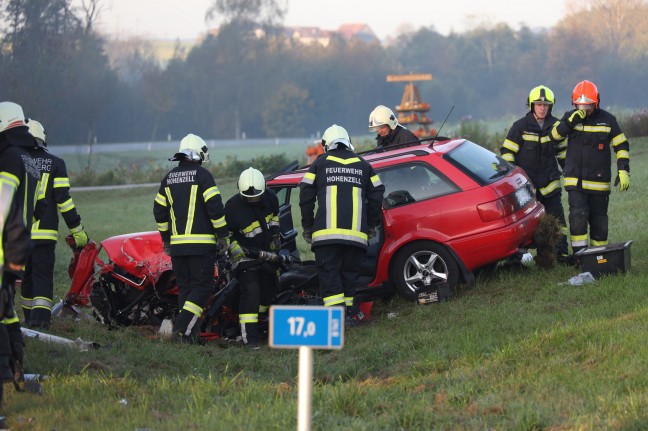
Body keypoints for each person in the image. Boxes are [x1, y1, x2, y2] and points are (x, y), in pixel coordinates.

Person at [299, 124, 384, 324]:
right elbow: (377, 194)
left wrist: (308, 226)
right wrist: (371, 225)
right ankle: (350, 315)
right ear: (348, 142)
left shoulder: (319, 164)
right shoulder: (364, 165)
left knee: (330, 278)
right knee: (349, 276)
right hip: (356, 236)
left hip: (326, 236)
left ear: (326, 144)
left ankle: (336, 321)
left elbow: (305, 195)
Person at [153, 133, 229, 343]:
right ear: (199, 155)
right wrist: (222, 235)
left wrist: (166, 238)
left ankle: (189, 338)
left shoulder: (168, 178)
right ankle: (180, 331)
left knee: (186, 289)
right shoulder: (203, 176)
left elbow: (159, 210)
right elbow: (215, 208)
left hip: (177, 248)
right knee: (202, 289)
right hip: (201, 246)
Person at [20, 119, 88, 329]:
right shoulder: (56, 163)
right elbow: (64, 201)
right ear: (43, 139)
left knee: (27, 279)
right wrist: (78, 231)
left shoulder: (14, 161)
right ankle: (40, 323)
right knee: (42, 277)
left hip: (19, 235)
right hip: (45, 235)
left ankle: (29, 320)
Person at [551, 80, 630, 253]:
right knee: (577, 218)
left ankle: (598, 256)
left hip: (599, 182)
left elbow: (621, 145)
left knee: (599, 222)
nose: (585, 109)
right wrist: (570, 122)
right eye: (580, 105)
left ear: (596, 102)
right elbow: (554, 136)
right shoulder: (570, 117)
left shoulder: (608, 121)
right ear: (574, 103)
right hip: (575, 181)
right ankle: (580, 257)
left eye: (588, 105)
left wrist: (624, 170)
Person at [500, 85, 568, 259]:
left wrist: (569, 170)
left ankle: (561, 254)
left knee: (558, 221)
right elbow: (507, 154)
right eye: (538, 104)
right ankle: (516, 259)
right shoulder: (520, 127)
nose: (542, 107)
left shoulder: (557, 126)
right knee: (524, 224)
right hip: (526, 189)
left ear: (551, 106)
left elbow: (563, 153)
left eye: (546, 104)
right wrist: (514, 179)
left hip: (551, 185)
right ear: (531, 105)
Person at [0, 101, 37, 400]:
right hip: (17, 247)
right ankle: (17, 370)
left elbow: (2, 204)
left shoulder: (9, 158)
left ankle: (4, 372)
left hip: (3, 247)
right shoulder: (28, 158)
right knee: (8, 311)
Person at [224, 167, 281, 349]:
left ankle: (261, 326)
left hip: (265, 253)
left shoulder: (271, 198)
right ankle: (250, 339)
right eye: (249, 197)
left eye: (257, 196)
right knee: (251, 292)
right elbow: (226, 233)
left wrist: (275, 237)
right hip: (244, 257)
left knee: (268, 289)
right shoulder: (232, 207)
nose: (253, 199)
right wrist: (233, 247)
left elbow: (274, 219)